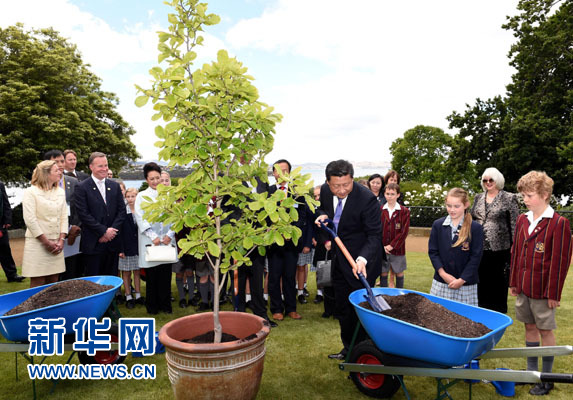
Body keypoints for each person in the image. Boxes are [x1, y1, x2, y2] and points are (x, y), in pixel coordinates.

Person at [509, 171, 572, 396]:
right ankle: (531, 373)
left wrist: (553, 293)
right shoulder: (522, 220)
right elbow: (516, 252)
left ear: (545, 195)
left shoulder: (558, 223)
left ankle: (548, 378)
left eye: (529, 195)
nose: (525, 199)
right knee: (529, 327)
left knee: (546, 330)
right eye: (523, 195)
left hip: (544, 290)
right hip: (524, 287)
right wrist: (514, 281)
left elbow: (560, 262)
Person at [315, 160, 382, 360]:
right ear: (328, 182)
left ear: (352, 179)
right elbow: (322, 210)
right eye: (336, 186)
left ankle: (363, 352)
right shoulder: (326, 191)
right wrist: (321, 216)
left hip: (361, 262)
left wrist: (362, 259)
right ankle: (348, 348)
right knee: (343, 308)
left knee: (360, 311)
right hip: (339, 258)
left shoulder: (367, 199)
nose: (342, 190)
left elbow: (374, 236)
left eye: (346, 184)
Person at [470, 167, 519, 313]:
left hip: (500, 247)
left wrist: (514, 245)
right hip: (478, 246)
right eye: (485, 180)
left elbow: (515, 223)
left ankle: (497, 309)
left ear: (498, 180)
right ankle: (481, 307)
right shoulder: (478, 197)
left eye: (491, 179)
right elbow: (472, 219)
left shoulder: (509, 198)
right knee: (481, 278)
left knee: (498, 279)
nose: (488, 182)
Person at [428, 188, 483, 305]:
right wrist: (443, 274)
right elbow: (433, 252)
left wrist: (461, 280)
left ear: (466, 205)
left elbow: (476, 257)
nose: (452, 210)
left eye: (456, 206)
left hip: (466, 284)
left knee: (465, 320)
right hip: (441, 282)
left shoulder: (475, 228)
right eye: (449, 206)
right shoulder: (438, 225)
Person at [74, 152, 126, 277]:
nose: (104, 169)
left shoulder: (114, 186)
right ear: (91, 167)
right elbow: (83, 214)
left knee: (112, 280)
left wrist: (111, 232)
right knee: (94, 282)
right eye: (100, 166)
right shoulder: (82, 187)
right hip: (93, 243)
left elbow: (121, 211)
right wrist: (103, 232)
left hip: (112, 243)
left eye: (106, 165)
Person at [135, 162, 176, 315]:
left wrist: (169, 235)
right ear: (146, 180)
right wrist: (153, 236)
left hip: (166, 241)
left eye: (157, 178)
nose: (155, 181)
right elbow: (140, 218)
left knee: (165, 276)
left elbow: (175, 216)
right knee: (152, 276)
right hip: (149, 241)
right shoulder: (141, 196)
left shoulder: (168, 195)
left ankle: (166, 306)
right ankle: (152, 307)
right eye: (151, 179)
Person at [21, 160, 68, 287]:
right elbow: (30, 219)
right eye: (56, 170)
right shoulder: (31, 192)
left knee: (54, 283)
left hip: (57, 244)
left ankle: (53, 307)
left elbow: (64, 216)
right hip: (37, 244)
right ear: (46, 174)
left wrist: (61, 240)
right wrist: (46, 242)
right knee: (38, 282)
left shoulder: (60, 192)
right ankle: (35, 308)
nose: (60, 172)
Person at [44, 150, 83, 280]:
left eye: (62, 161)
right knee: (53, 275)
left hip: (73, 235)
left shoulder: (74, 182)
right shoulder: (42, 185)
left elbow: (80, 208)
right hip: (52, 236)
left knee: (72, 271)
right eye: (56, 162)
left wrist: (74, 228)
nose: (60, 164)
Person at [379, 183, 410, 288]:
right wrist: (382, 246)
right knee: (383, 272)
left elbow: (404, 231)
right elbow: (377, 230)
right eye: (387, 194)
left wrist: (392, 245)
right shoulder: (380, 210)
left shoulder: (404, 211)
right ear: (384, 194)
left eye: (392, 194)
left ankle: (400, 295)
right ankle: (383, 295)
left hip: (398, 249)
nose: (390, 196)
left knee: (399, 272)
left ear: (398, 195)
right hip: (382, 248)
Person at [118, 187, 143, 309]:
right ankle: (128, 295)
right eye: (128, 197)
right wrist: (120, 249)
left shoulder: (141, 211)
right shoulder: (122, 212)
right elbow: (119, 232)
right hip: (126, 247)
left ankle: (138, 295)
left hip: (138, 247)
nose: (131, 199)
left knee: (137, 271)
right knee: (126, 273)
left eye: (133, 196)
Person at [0, 180, 25, 282]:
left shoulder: (0, 184)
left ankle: (12, 275)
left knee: (5, 251)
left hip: (1, 226)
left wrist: (7, 220)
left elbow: (6, 204)